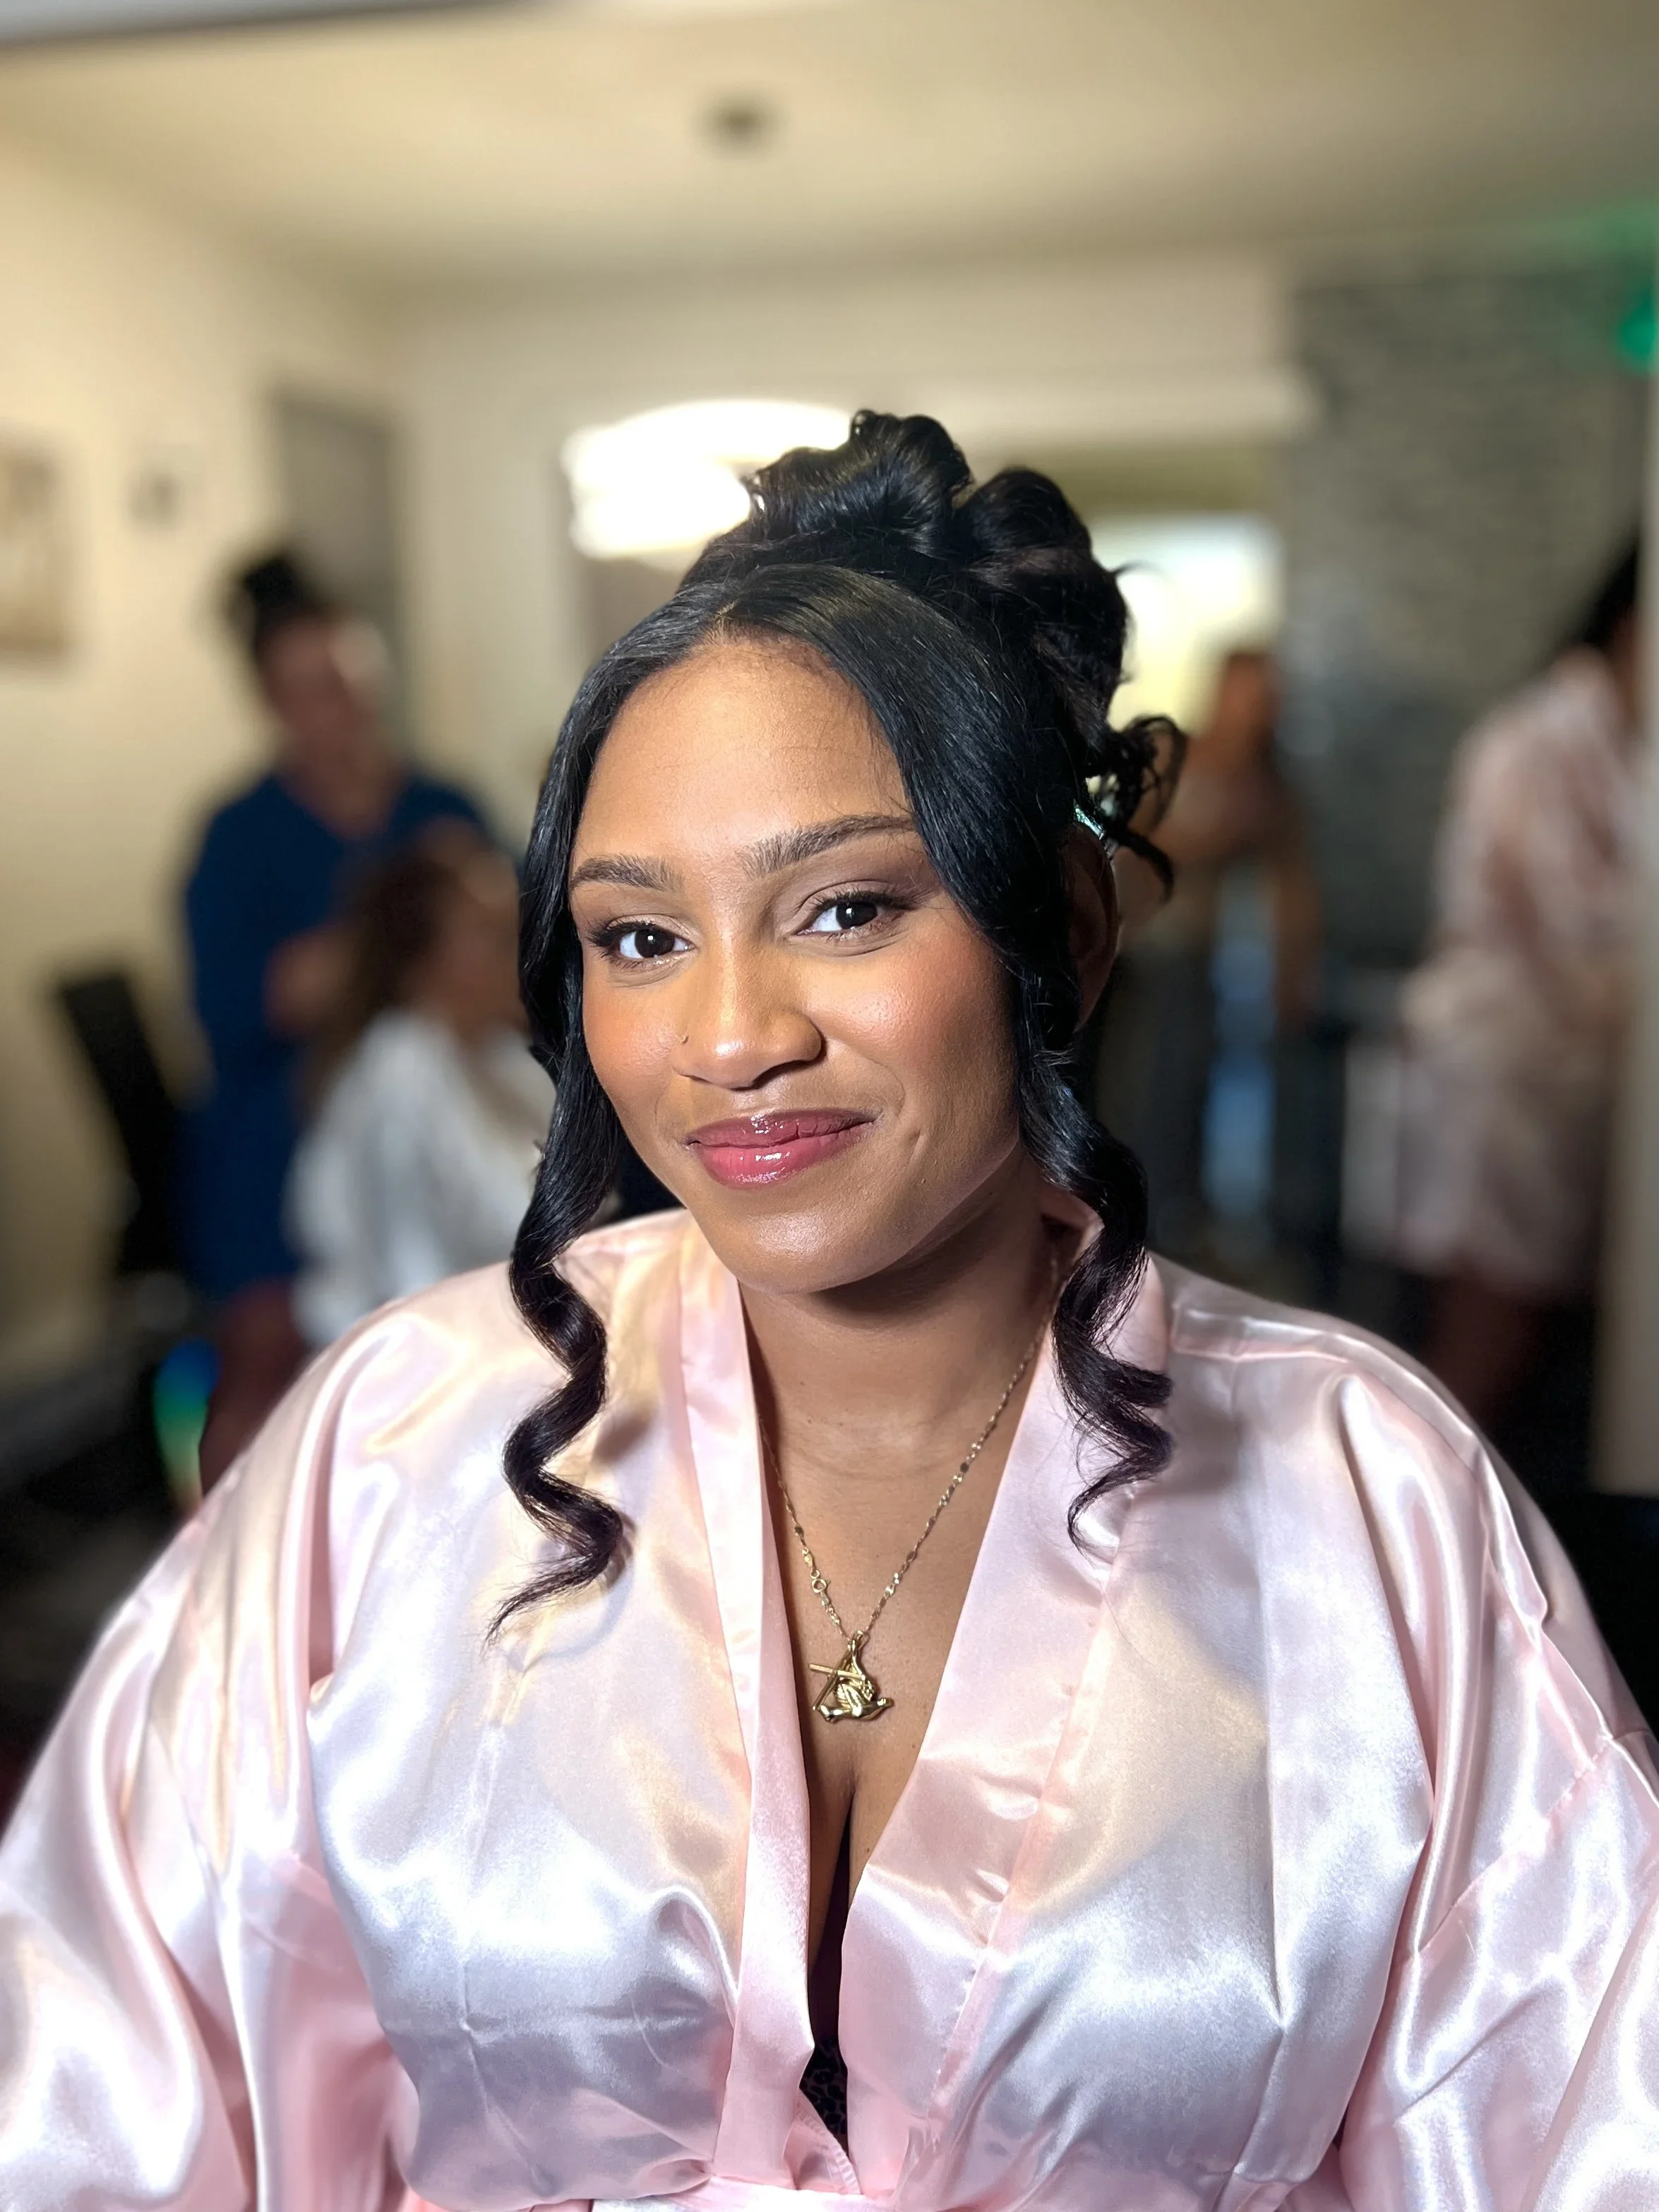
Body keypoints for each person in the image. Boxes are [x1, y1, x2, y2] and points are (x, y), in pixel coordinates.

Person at [1, 416, 1654, 2210]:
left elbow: (1576, 2129)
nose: (727, 1038)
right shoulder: (396, 1442)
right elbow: (98, 2096)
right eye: (638, 936)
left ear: (1061, 929)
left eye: (844, 906)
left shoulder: (1370, 1497)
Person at [182, 553, 487, 1481]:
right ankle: (232, 1573)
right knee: (272, 1363)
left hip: (443, 1104)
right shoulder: (237, 837)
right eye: (312, 691)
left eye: (353, 684)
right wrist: (389, 946)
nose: (341, 709)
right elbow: (228, 1009)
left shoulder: (447, 807)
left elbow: (514, 959)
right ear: (274, 704)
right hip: (280, 1130)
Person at [1397, 540, 1643, 1434]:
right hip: (1505, 1071)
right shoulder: (1541, 737)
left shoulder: (1618, 743)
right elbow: (1581, 916)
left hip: (1560, 1077)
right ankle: (1420, 1548)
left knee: (1526, 1341)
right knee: (1487, 1334)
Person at [288, 834, 554, 1346]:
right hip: (420, 1365)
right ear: (423, 960)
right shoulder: (401, 1072)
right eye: (493, 936)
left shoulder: (501, 1058)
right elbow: (412, 1275)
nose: (523, 952)